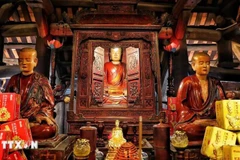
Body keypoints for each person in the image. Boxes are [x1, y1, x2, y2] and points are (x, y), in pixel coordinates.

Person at [5, 48, 57, 140]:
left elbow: (48, 104)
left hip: (34, 121)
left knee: (48, 129)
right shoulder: (14, 79)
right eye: (21, 60)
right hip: (16, 120)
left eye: (28, 60)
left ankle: (18, 132)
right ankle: (19, 131)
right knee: (6, 126)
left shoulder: (42, 80)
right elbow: (6, 102)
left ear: (35, 61)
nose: (24, 63)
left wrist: (41, 115)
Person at [175, 52, 226, 141]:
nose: (205, 66)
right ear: (193, 66)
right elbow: (181, 106)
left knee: (226, 128)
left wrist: (216, 119)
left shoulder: (215, 83)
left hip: (212, 121)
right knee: (185, 130)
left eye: (207, 63)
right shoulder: (187, 82)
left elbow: (223, 104)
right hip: (193, 121)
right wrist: (197, 120)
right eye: (201, 63)